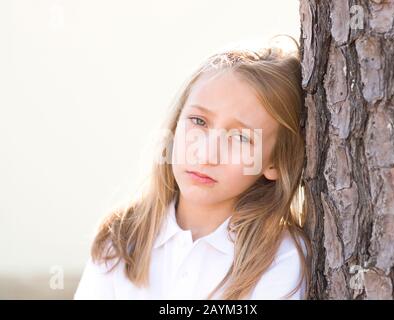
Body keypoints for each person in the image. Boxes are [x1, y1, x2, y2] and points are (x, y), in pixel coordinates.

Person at [74, 35, 311, 300]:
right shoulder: (119, 239)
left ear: (276, 161)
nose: (207, 154)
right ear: (176, 124)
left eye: (241, 138)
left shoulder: (281, 257)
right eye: (198, 121)